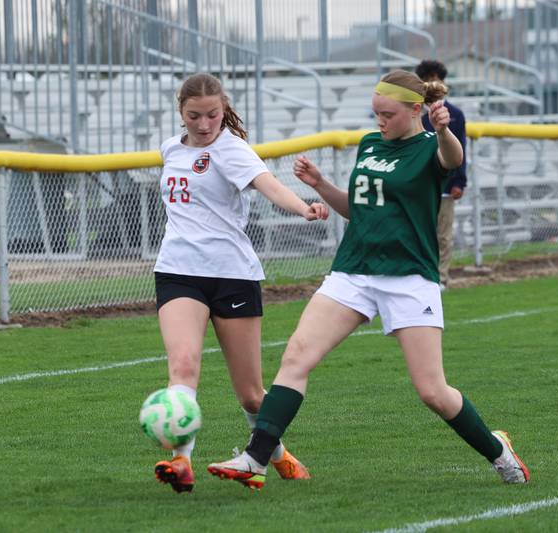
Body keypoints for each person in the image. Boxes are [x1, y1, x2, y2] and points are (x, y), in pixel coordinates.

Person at [207, 70, 529, 489]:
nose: (379, 121)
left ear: (416, 111)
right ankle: (256, 457)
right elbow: (357, 210)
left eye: (388, 114)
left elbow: (453, 160)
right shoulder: (370, 144)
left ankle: (499, 451)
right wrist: (321, 185)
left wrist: (446, 131)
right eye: (375, 113)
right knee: (297, 357)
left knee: (432, 391)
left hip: (409, 276)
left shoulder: (432, 146)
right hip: (353, 270)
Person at [151, 73, 329, 493]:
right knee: (183, 365)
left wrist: (303, 208)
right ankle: (181, 462)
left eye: (212, 114)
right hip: (178, 271)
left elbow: (268, 186)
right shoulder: (171, 149)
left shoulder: (232, 149)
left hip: (232, 275)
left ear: (223, 110)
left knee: (251, 395)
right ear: (181, 113)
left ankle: (277, 453)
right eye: (194, 116)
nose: (204, 123)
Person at [415, 59, 467, 290]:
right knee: (421, 233)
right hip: (421, 184)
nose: (432, 83)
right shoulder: (416, 115)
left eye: (436, 78)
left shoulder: (455, 114)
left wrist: (459, 181)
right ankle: (422, 276)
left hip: (445, 186)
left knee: (443, 234)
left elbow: (461, 150)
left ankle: (441, 277)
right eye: (427, 79)